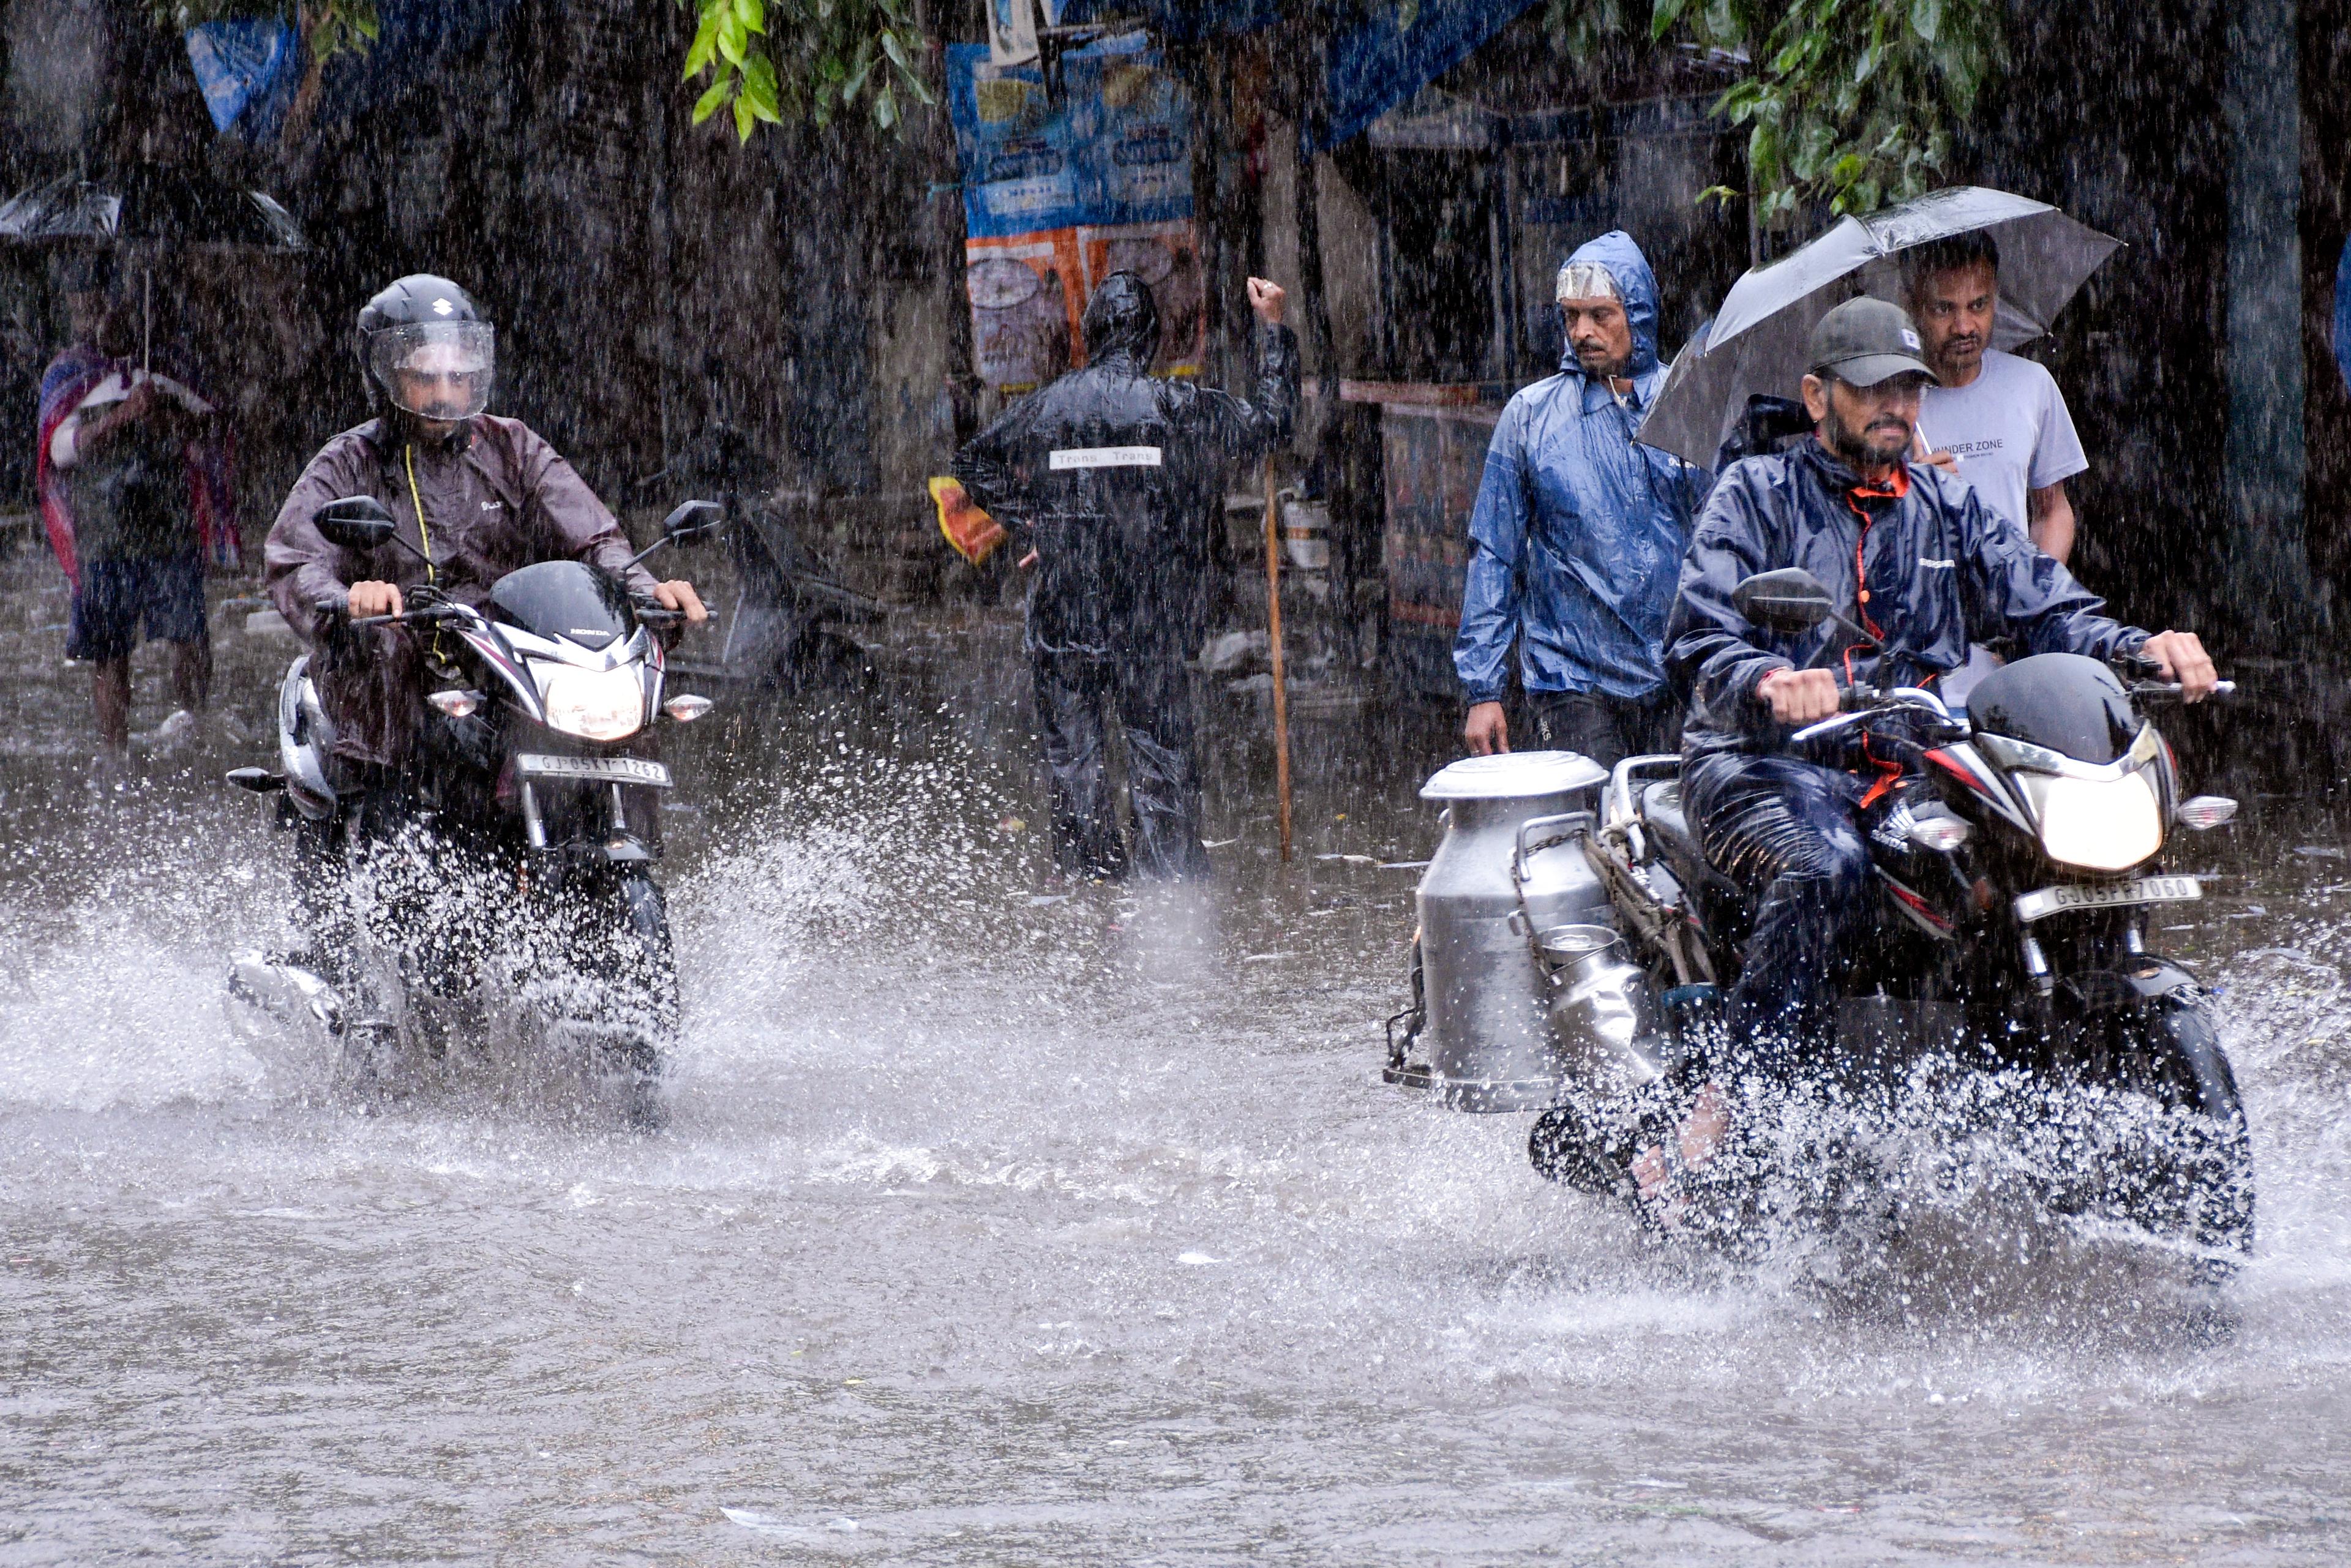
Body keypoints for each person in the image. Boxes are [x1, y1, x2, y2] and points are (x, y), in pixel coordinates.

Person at [1652, 296, 2215, 1209]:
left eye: (1908, 388)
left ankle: (1998, 1097)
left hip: (1899, 759)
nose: (1897, 407)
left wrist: (2136, 646)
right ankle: (1739, 1104)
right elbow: (1693, 642)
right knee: (1827, 869)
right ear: (1816, 395)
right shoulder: (1754, 494)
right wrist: (1766, 680)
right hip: (1763, 763)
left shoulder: (1945, 504)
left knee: (2006, 866)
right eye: (1873, 387)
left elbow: (2043, 602)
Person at [265, 274, 706, 793]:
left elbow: (594, 538)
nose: (445, 393)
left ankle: (624, 841)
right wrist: (349, 597)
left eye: (458, 376)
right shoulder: (348, 461)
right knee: (384, 665)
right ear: (385, 376)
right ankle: (389, 841)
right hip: (401, 670)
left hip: (510, 662)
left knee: (620, 697)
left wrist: (644, 589)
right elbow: (294, 558)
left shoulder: (514, 447)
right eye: (424, 378)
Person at [952, 269, 1298, 881]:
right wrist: (1272, 331)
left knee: (1073, 761)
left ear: (1092, 335)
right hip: (1143, 613)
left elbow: (972, 461)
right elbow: (1271, 423)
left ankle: (1091, 895)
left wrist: (1032, 527)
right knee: (1160, 757)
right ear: (1148, 339)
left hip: (1064, 611)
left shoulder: (1049, 405)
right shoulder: (1172, 404)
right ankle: (1170, 900)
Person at [1455, 231, 1711, 770]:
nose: (1582, 332)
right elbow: (1495, 554)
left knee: (1672, 828)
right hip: (1572, 676)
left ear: (1637, 314)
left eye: (1600, 314)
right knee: (1597, 827)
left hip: (1676, 674)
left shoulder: (1687, 405)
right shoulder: (1531, 418)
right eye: (1571, 316)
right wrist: (1484, 689)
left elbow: (1724, 545)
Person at [36, 259, 238, 764]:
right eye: (83, 306)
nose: (94, 315)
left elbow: (212, 433)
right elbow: (60, 451)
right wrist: (122, 417)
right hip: (103, 530)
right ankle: (115, 756)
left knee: (189, 634)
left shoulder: (167, 363)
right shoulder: (68, 372)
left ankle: (194, 727)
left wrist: (165, 414)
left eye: (103, 304)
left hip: (169, 525)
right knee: (108, 650)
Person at [1905, 233, 2088, 563]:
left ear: (1996, 300)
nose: (1963, 327)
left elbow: (2053, 511)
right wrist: (1911, 494)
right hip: (1926, 607)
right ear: (1914, 307)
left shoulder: (2031, 384)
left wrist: (2038, 593)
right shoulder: (1892, 404)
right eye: (1944, 309)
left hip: (2011, 609)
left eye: (1978, 305)